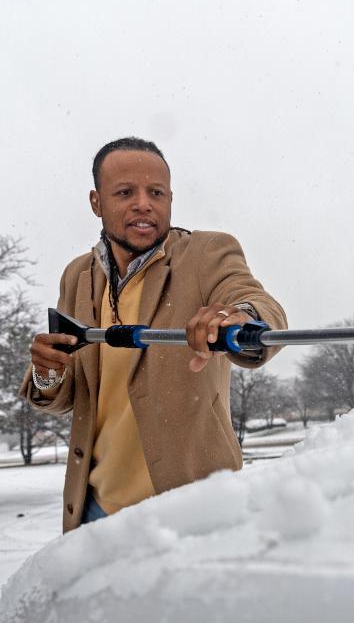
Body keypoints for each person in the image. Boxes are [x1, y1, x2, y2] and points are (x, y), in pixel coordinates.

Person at [19, 137, 287, 532]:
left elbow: (256, 302)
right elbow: (71, 395)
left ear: (171, 199)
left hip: (190, 511)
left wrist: (239, 319)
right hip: (94, 512)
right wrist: (48, 372)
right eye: (125, 192)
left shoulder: (207, 254)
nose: (143, 203)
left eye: (156, 192)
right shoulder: (76, 276)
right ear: (96, 202)